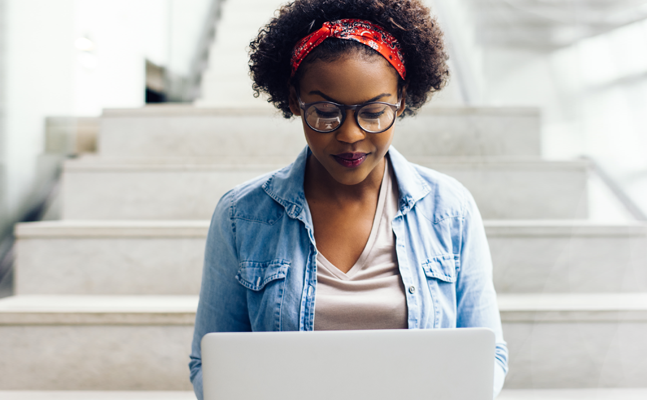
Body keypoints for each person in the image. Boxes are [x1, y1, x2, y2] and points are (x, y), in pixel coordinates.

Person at [186, 0, 507, 397]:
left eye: (373, 112)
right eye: (325, 112)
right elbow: (210, 365)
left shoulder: (449, 209)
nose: (351, 135)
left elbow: (489, 355)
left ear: (401, 102)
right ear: (293, 101)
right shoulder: (241, 216)